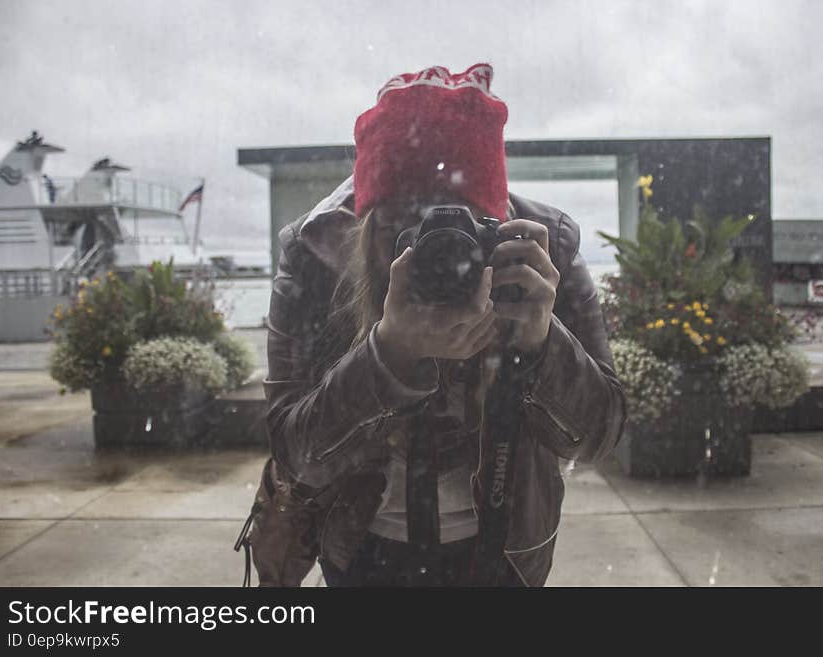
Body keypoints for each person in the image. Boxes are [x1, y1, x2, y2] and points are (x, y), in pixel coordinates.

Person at [243, 63, 626, 587]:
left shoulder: (541, 251)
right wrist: (387, 355)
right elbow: (296, 454)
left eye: (464, 222)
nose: (437, 255)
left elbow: (598, 436)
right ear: (363, 223)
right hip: (360, 547)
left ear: (497, 221)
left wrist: (541, 344)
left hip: (503, 549)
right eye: (406, 228)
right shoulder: (315, 260)